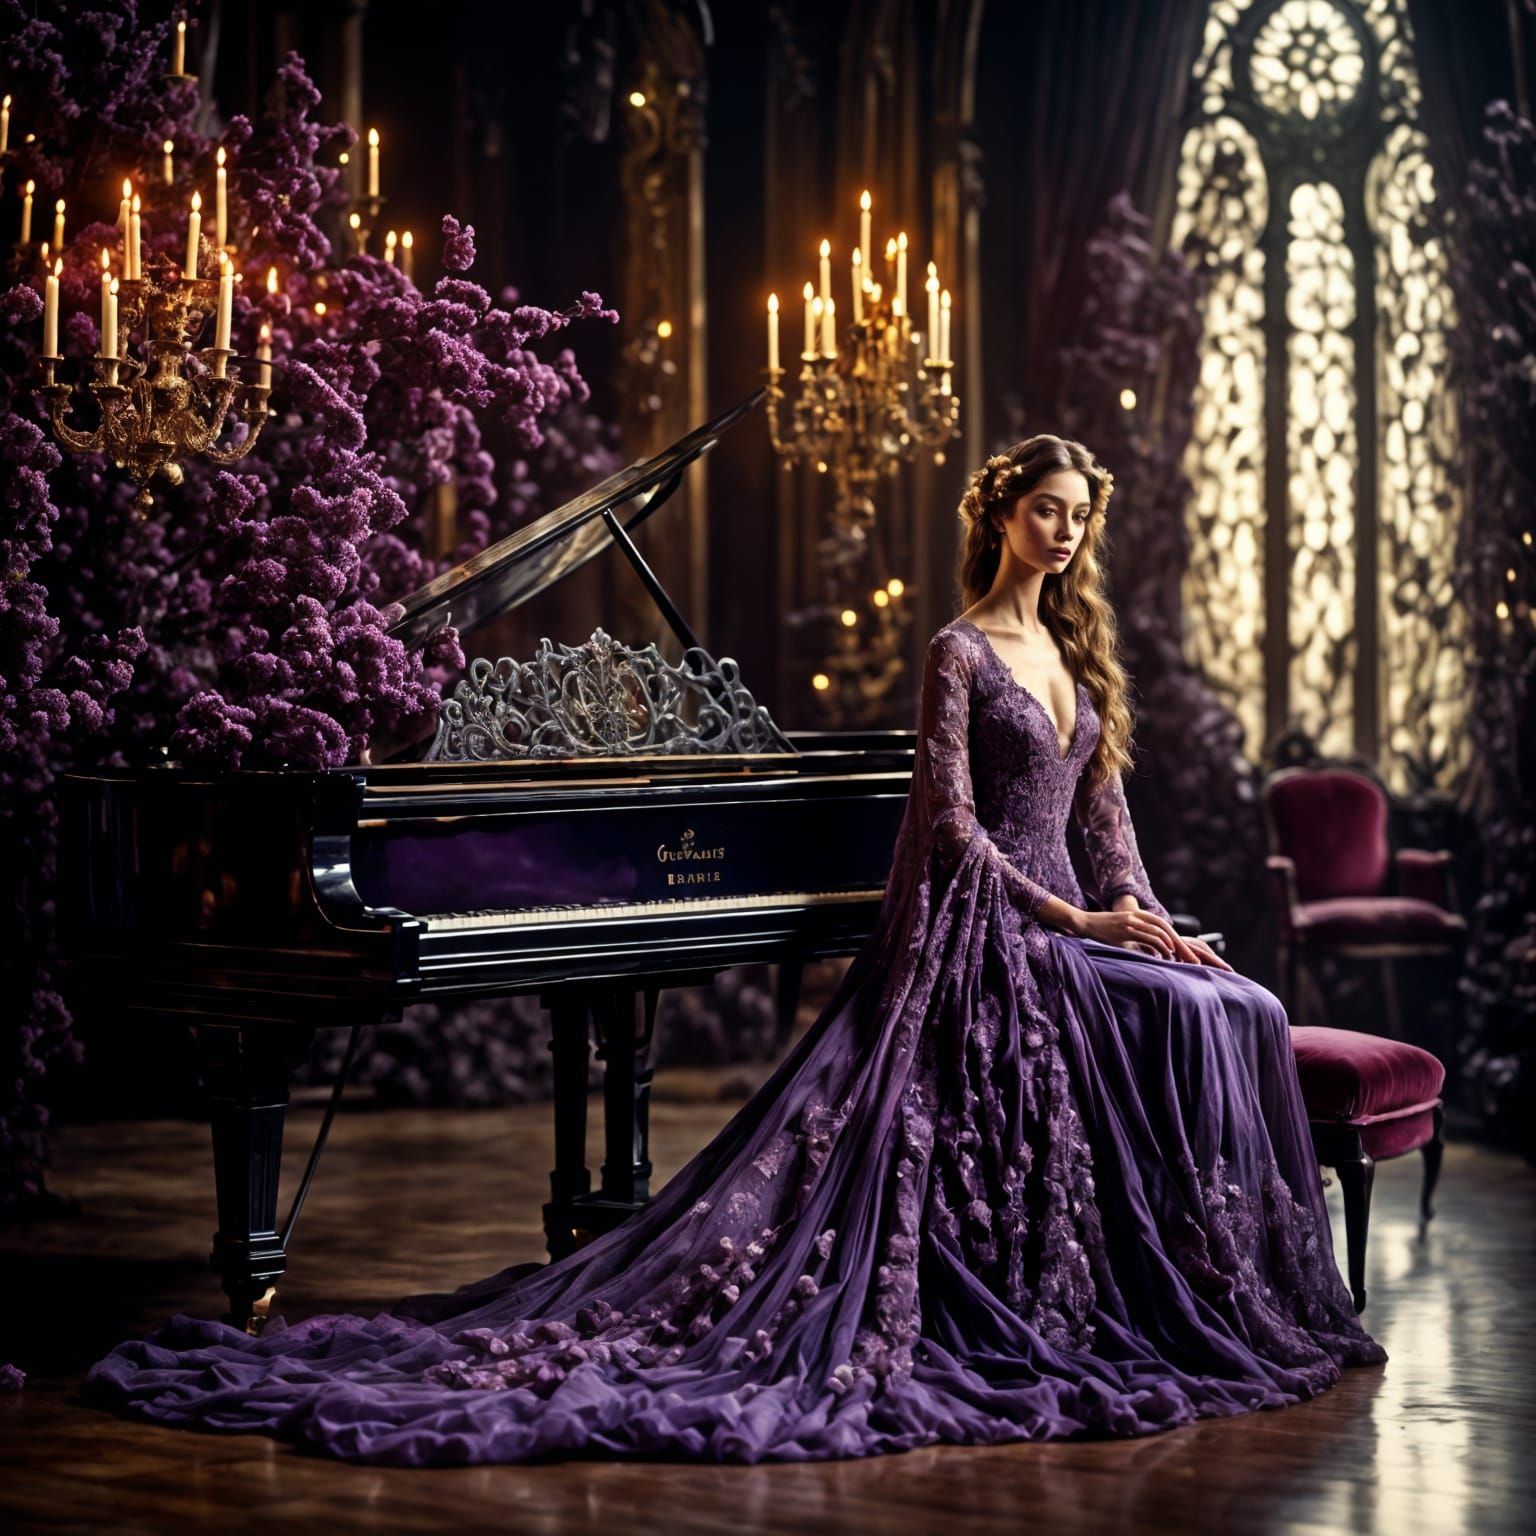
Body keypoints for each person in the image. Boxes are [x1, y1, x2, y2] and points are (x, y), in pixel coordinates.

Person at [84, 435, 1385, 1465]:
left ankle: (1193, 1285)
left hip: (1076, 920)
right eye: (1049, 507)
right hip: (991, 928)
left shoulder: (1076, 659)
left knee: (1232, 1006)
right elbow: (945, 828)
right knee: (1174, 1017)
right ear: (1002, 515)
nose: (1069, 529)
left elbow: (1110, 831)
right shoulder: (955, 651)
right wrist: (1078, 923)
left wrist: (1154, 922)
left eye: (1081, 514)